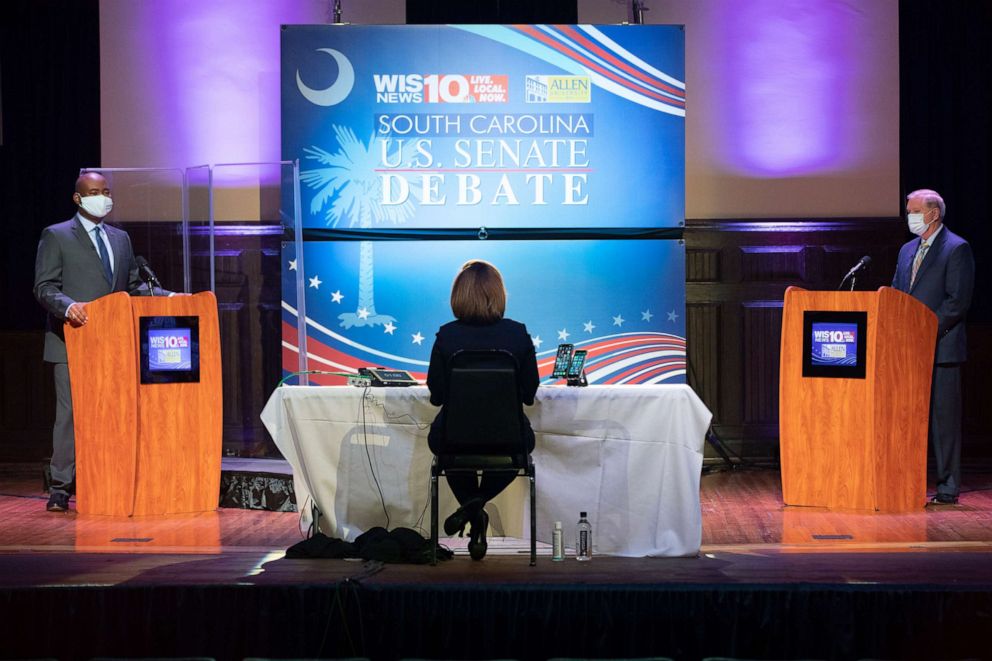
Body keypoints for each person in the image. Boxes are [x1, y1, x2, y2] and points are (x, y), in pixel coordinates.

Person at [33, 171, 170, 512]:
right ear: (78, 198)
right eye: (94, 192)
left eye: (106, 191)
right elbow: (45, 287)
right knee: (71, 415)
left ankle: (109, 477)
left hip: (115, 342)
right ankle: (61, 487)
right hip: (72, 341)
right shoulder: (57, 235)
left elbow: (134, 286)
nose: (103, 197)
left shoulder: (120, 238)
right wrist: (69, 308)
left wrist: (170, 296)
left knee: (114, 414)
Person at [426, 260, 540, 560]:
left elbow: (436, 396)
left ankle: (472, 509)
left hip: (452, 439)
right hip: (510, 439)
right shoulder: (518, 335)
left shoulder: (446, 337)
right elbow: (529, 395)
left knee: (447, 452)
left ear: (458, 295)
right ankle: (477, 509)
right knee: (519, 452)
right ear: (498, 294)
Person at [892, 189, 975, 505]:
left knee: (944, 421)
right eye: (908, 210)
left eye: (914, 210)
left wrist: (924, 331)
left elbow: (957, 302)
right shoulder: (906, 250)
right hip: (906, 351)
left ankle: (948, 486)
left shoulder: (956, 249)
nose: (910, 216)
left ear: (934, 213)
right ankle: (903, 481)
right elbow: (898, 294)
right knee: (905, 418)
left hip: (941, 349)